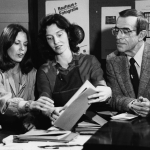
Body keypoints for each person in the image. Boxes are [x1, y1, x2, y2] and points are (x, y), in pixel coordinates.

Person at [36, 13, 112, 125]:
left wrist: (107, 91)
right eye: (50, 38)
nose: (56, 41)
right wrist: (51, 112)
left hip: (92, 124)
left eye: (59, 35)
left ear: (68, 34)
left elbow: (100, 85)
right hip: (62, 125)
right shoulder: (45, 70)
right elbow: (44, 101)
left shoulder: (89, 61)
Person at [0, 24, 54, 132]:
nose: (22, 49)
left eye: (25, 44)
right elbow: (3, 101)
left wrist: (30, 119)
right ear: (6, 44)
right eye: (17, 43)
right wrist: (28, 105)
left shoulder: (31, 72)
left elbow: (32, 106)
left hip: (22, 133)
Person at [106, 9, 150, 117]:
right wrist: (132, 104)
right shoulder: (112, 59)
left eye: (126, 31)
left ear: (141, 35)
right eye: (117, 30)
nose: (118, 37)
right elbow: (113, 97)